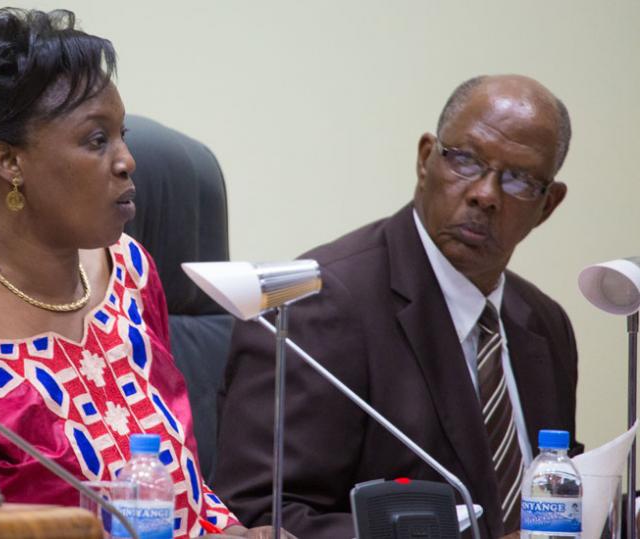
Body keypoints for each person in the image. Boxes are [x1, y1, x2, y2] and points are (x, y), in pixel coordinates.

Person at [0, 8, 287, 538]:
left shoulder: (128, 269)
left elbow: (179, 487)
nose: (127, 160)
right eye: (96, 140)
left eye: (122, 135)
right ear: (9, 162)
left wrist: (239, 533)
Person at [212, 74, 581, 539]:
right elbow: (258, 514)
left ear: (548, 205)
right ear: (425, 159)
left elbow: (556, 496)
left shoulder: (545, 324)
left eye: (519, 179)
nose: (485, 194)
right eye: (466, 160)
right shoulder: (315, 305)